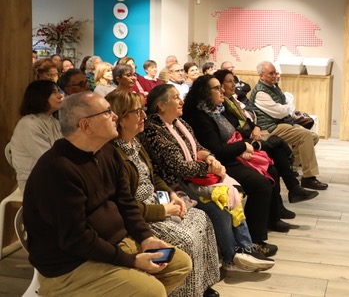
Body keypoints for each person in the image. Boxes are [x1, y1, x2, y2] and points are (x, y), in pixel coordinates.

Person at [22, 92, 192, 296]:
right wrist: (131, 261)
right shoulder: (57, 170)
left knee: (180, 264)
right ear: (86, 125)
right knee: (152, 291)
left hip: (112, 244)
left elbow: (126, 202)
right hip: (70, 264)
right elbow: (76, 239)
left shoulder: (107, 152)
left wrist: (145, 237)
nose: (114, 117)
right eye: (107, 112)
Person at [140, 84, 276, 271]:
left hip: (194, 176)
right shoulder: (153, 129)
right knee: (219, 208)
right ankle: (231, 258)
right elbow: (179, 167)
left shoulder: (180, 123)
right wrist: (210, 168)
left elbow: (198, 148)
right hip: (174, 183)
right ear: (161, 105)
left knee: (234, 193)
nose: (181, 101)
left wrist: (211, 159)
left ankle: (245, 248)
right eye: (176, 97)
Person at [105, 90, 221, 297]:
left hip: (157, 201)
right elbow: (125, 204)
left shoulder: (135, 143)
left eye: (142, 110)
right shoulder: (114, 153)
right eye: (137, 112)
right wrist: (163, 209)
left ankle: (202, 284)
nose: (143, 116)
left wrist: (171, 194)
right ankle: (183, 292)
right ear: (121, 119)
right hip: (142, 215)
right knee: (185, 238)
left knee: (203, 218)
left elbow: (152, 177)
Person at [182, 75, 289, 236]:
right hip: (220, 162)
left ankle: (271, 219)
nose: (222, 91)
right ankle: (256, 238)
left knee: (271, 168)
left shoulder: (217, 110)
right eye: (217, 88)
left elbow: (238, 131)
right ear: (204, 92)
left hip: (233, 155)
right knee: (261, 183)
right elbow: (217, 149)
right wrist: (243, 146)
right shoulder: (200, 117)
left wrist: (245, 144)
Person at [214, 68, 318, 206]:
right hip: (261, 131)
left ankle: (288, 192)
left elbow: (248, 120)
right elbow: (279, 112)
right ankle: (297, 183)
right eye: (229, 82)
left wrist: (255, 127)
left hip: (259, 131)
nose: (234, 84)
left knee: (299, 140)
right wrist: (253, 132)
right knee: (284, 143)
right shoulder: (224, 106)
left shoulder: (232, 101)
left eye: (234, 81)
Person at [249, 61, 328, 191]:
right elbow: (280, 112)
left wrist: (288, 108)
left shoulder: (273, 87)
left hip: (281, 123)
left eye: (275, 72)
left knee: (313, 137)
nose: (275, 75)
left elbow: (285, 106)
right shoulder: (261, 93)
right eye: (271, 73)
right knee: (306, 136)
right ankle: (308, 177)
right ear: (261, 76)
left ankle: (289, 165)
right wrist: (289, 107)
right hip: (270, 127)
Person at [5, 80, 63, 192]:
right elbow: (48, 159)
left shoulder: (52, 121)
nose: (60, 96)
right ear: (40, 96)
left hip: (51, 174)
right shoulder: (29, 124)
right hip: (35, 181)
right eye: (54, 92)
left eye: (58, 91)